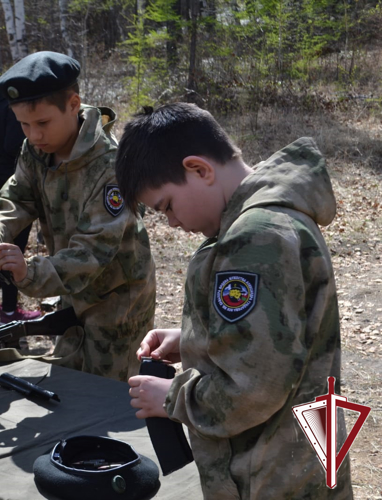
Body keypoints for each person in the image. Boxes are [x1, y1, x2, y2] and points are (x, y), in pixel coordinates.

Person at [119, 103, 353, 498]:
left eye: (167, 206)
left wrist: (173, 398)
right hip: (302, 453)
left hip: (272, 472)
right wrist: (195, 337)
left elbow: (254, 387)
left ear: (199, 170)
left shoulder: (256, 237)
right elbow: (283, 331)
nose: (173, 222)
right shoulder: (276, 216)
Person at [0, 51, 156, 382]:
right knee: (70, 389)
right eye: (23, 124)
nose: (33, 135)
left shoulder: (110, 167)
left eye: (42, 123)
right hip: (70, 294)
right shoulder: (36, 151)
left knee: (109, 398)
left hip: (117, 303)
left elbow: (93, 252)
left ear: (73, 104)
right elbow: (17, 199)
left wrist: (28, 272)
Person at [0, 88, 41, 324]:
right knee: (13, 248)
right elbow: (14, 144)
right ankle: (10, 311)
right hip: (10, 181)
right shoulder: (11, 108)